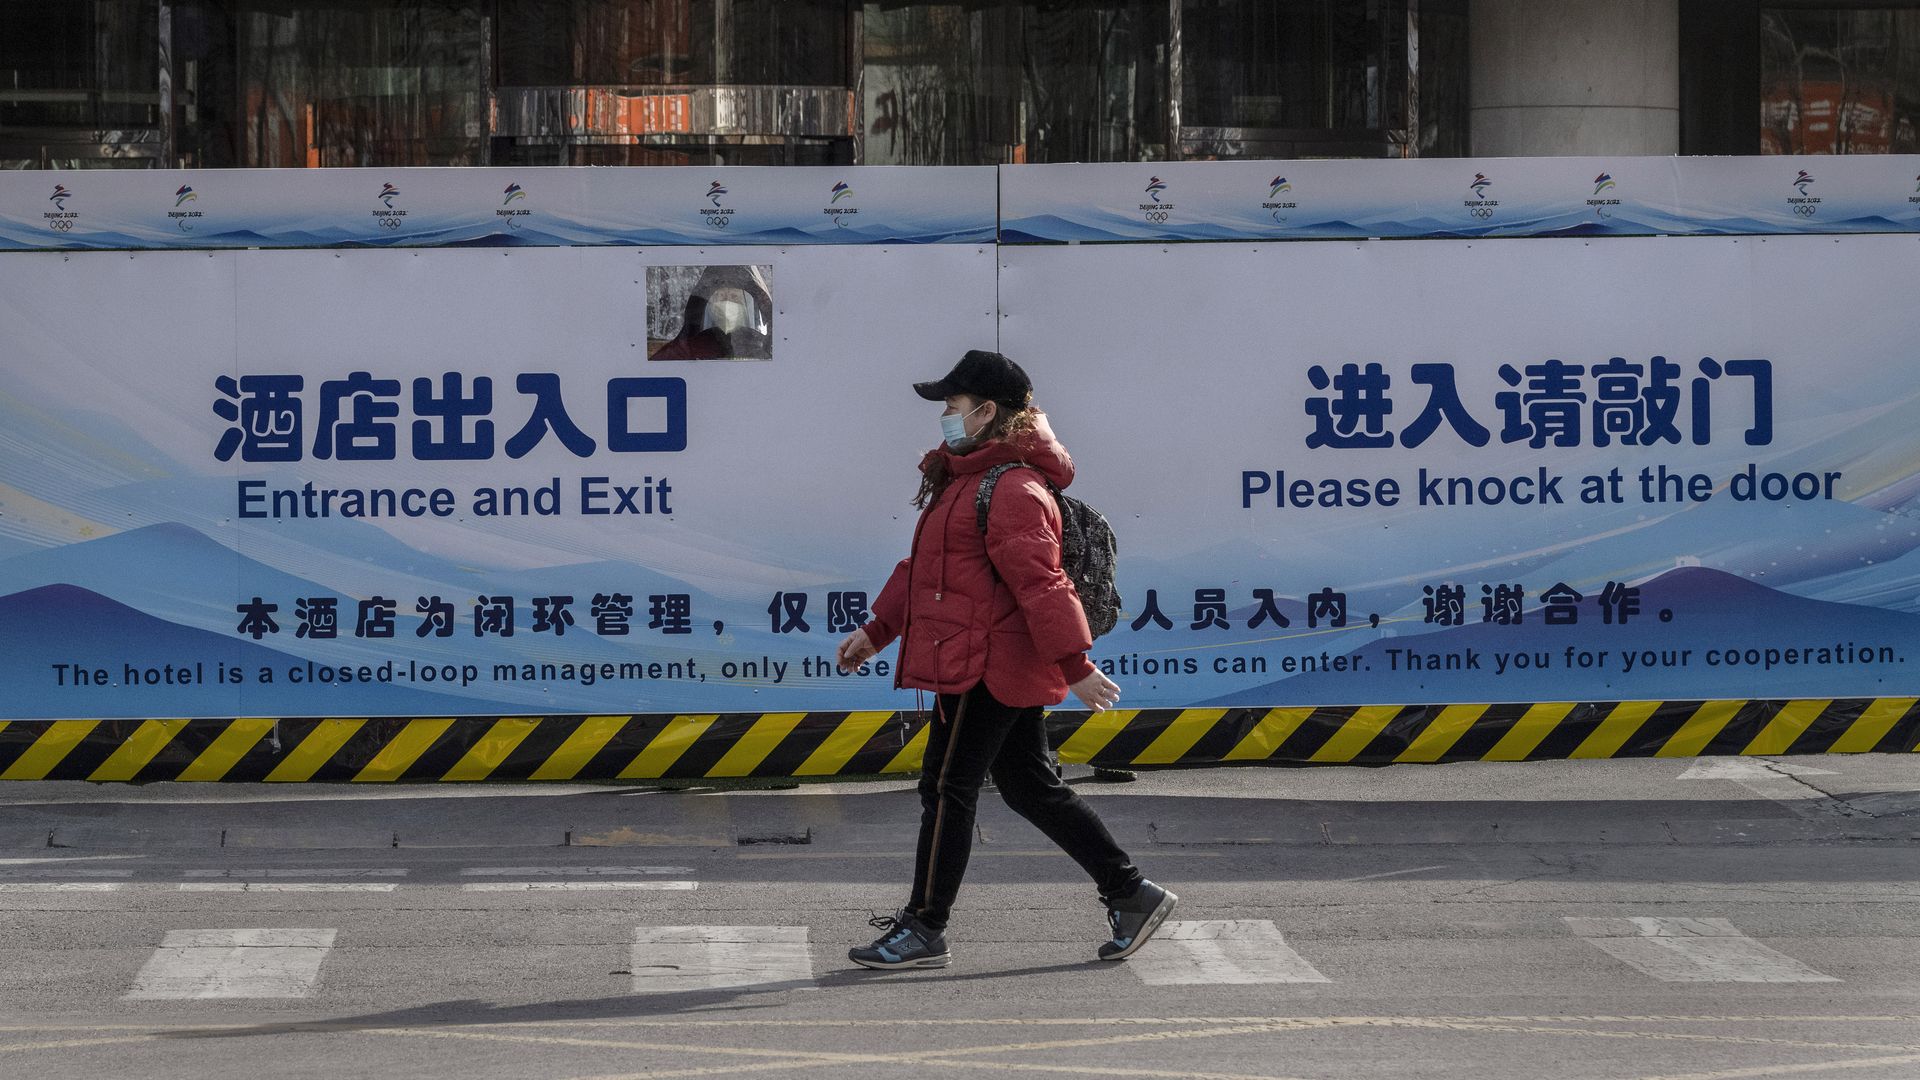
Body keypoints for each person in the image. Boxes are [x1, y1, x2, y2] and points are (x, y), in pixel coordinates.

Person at [835, 349, 1177, 970]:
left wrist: (1076, 666)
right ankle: (1130, 893)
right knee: (1030, 788)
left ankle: (924, 926)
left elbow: (1044, 584)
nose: (944, 416)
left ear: (987, 411)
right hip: (980, 657)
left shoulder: (1012, 488)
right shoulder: (965, 480)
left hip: (983, 664)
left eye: (952, 406)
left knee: (946, 788)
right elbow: (926, 571)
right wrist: (878, 630)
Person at [647, 264, 773, 360]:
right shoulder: (686, 349)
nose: (727, 304)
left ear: (748, 306)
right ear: (707, 305)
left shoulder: (765, 348)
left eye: (735, 297)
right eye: (721, 297)